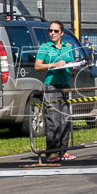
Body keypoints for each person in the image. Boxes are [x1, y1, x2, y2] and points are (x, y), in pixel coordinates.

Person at [33, 20, 77, 162]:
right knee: (53, 120)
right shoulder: (45, 47)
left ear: (62, 33)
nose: (52, 33)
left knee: (65, 119)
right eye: (50, 31)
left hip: (64, 85)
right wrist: (54, 64)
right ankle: (52, 152)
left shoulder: (67, 47)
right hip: (51, 86)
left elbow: (71, 64)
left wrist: (73, 66)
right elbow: (37, 66)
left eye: (56, 31)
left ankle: (63, 151)